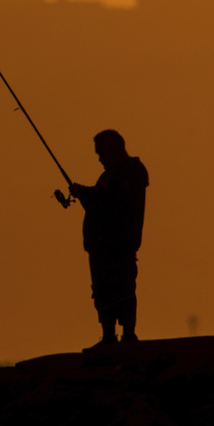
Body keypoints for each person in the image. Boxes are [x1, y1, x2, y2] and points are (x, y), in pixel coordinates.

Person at [69, 130, 149, 347]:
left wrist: (85, 192)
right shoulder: (109, 175)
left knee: (122, 288)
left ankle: (128, 335)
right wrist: (84, 195)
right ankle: (108, 336)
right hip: (100, 245)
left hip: (119, 244)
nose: (99, 158)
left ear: (113, 148)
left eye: (101, 152)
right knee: (102, 290)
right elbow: (99, 205)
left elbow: (114, 201)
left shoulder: (132, 171)